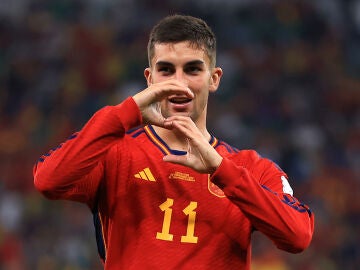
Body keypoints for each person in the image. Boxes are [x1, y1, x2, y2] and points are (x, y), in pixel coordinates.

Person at [33, 14, 314, 269]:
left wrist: (220, 169)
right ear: (149, 78)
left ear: (214, 79)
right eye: (166, 70)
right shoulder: (114, 152)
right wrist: (125, 113)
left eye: (192, 70)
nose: (179, 83)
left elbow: (298, 236)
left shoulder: (250, 168)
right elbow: (48, 181)